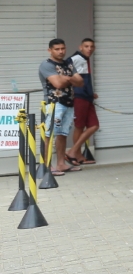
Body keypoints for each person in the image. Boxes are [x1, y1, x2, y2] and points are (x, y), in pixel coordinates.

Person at [38, 38, 83, 176]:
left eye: (63, 48)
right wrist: (70, 79)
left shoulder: (68, 63)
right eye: (57, 49)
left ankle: (61, 164)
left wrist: (66, 78)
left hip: (69, 102)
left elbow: (80, 82)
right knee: (49, 134)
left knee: (62, 133)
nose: (61, 51)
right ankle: (46, 166)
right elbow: (57, 83)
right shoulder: (46, 65)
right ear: (49, 50)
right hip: (54, 103)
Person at [66, 38, 98, 166]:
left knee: (93, 125)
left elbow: (82, 80)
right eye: (86, 46)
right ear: (81, 47)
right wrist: (74, 91)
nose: (89, 49)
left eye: (91, 46)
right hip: (80, 97)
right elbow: (67, 74)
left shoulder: (85, 59)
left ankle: (74, 152)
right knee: (79, 126)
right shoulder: (76, 59)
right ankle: (75, 154)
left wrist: (91, 93)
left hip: (87, 97)